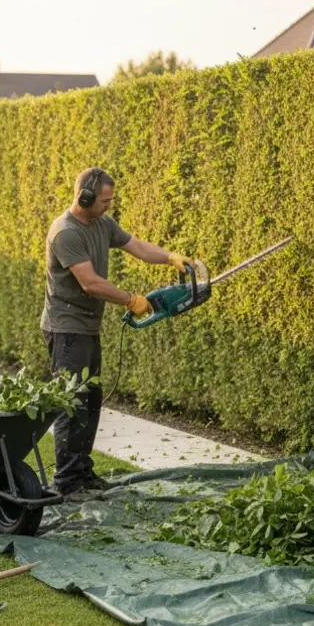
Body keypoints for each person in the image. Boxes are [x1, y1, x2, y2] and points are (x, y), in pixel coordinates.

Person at [41, 167, 194, 498]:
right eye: (106, 200)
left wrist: (170, 258)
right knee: (72, 402)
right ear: (86, 197)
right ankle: (67, 482)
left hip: (87, 328)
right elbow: (90, 282)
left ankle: (81, 473)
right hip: (66, 329)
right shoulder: (66, 232)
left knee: (91, 397)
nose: (110, 206)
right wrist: (130, 300)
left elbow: (136, 246)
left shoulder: (102, 223)